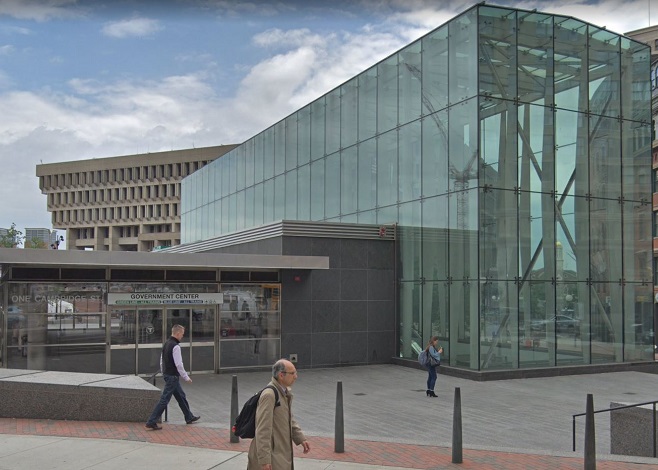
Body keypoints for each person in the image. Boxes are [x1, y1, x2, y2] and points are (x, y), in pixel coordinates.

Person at [247, 359, 310, 470]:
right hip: (273, 456)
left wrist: (300, 438)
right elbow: (262, 429)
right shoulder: (270, 395)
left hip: (280, 453)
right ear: (281, 375)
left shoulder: (284, 392)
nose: (296, 376)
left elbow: (289, 418)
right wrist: (264, 460)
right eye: (293, 373)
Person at [145, 324, 200, 430]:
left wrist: (163, 371)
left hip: (167, 374)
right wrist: (186, 377)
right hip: (172, 376)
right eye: (182, 334)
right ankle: (151, 421)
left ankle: (189, 416)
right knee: (164, 399)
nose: (182, 337)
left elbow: (162, 360)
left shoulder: (166, 344)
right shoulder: (175, 346)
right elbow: (179, 364)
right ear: (178, 333)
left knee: (181, 396)